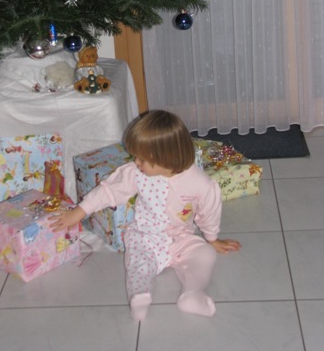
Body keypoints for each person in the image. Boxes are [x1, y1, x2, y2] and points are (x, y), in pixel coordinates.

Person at [50, 110, 241, 321]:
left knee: (205, 253)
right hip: (144, 236)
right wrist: (79, 212)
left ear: (164, 158)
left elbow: (209, 210)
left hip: (181, 237)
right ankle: (139, 294)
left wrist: (212, 238)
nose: (136, 162)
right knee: (138, 264)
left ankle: (194, 293)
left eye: (142, 159)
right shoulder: (136, 174)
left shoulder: (199, 182)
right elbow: (109, 191)